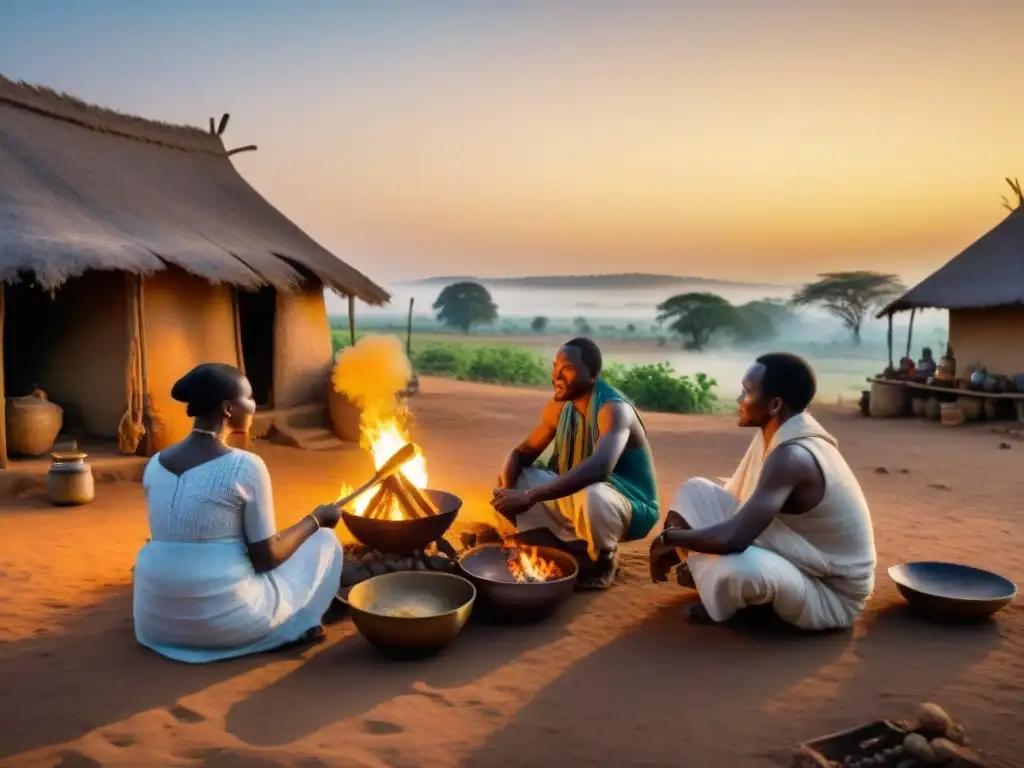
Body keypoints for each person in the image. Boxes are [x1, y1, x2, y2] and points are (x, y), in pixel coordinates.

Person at [132, 363, 344, 663]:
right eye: (250, 397)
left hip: (155, 622)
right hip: (223, 621)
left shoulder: (154, 464)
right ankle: (296, 626)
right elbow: (266, 558)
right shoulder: (245, 466)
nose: (254, 406)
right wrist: (316, 519)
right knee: (322, 542)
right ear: (228, 408)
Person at [649, 352, 876, 630]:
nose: (739, 400)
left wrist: (668, 539)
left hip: (828, 593)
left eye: (747, 392)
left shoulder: (792, 456)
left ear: (775, 405)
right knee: (694, 491)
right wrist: (683, 539)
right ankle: (717, 583)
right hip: (795, 555)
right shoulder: (781, 432)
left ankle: (741, 601)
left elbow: (735, 538)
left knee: (739, 570)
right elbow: (741, 508)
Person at [491, 338, 659, 589]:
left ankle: (604, 560)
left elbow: (600, 468)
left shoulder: (613, 409)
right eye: (555, 366)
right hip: (578, 494)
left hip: (628, 504)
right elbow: (520, 454)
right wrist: (509, 493)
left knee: (594, 496)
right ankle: (573, 549)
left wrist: (529, 497)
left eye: (567, 369)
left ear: (593, 374)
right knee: (518, 477)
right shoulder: (559, 407)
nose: (556, 375)